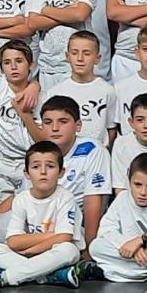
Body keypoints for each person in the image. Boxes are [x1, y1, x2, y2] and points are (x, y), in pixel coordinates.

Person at [0, 141, 83, 289]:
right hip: (29, 255)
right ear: (27, 173)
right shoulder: (21, 199)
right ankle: (45, 275)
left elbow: (64, 238)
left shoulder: (66, 197)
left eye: (50, 166)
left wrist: (31, 251)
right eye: (36, 167)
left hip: (49, 252)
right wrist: (51, 235)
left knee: (69, 251)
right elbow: (13, 242)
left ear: (61, 172)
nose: (43, 172)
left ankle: (4, 278)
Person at [86, 153, 147, 283]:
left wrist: (142, 240)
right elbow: (106, 230)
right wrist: (131, 248)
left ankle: (109, 271)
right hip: (127, 251)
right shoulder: (123, 198)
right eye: (137, 184)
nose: (143, 192)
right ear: (129, 181)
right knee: (96, 246)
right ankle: (144, 273)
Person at [37, 95, 112, 251]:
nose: (54, 128)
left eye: (63, 122)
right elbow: (21, 197)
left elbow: (93, 200)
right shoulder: (39, 151)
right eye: (48, 122)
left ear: (78, 126)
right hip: (38, 223)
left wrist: (90, 248)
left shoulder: (93, 150)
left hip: (74, 227)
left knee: (66, 251)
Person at [0, 41, 40, 215]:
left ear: (31, 65)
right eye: (7, 63)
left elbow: (43, 140)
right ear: (1, 68)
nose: (13, 67)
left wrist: (25, 111)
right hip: (1, 163)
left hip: (29, 164)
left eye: (19, 61)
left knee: (27, 216)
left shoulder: (43, 98)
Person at [43, 31, 118, 147]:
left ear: (97, 58)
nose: (80, 58)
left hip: (97, 153)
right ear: (67, 56)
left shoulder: (108, 91)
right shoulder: (55, 92)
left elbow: (111, 128)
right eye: (74, 53)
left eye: (86, 54)